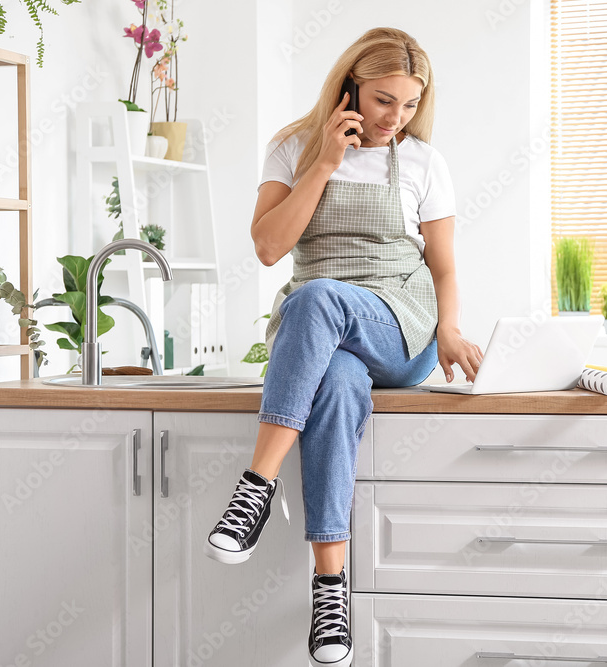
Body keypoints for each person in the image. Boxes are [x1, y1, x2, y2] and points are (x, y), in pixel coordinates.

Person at [202, 27, 483, 667]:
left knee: (318, 297)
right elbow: (270, 248)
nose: (396, 118)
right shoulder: (293, 149)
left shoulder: (423, 162)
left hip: (402, 328)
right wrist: (324, 162)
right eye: (384, 100)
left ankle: (256, 486)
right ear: (350, 85)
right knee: (335, 385)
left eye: (409, 104)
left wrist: (450, 326)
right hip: (320, 331)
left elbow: (442, 267)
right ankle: (331, 594)